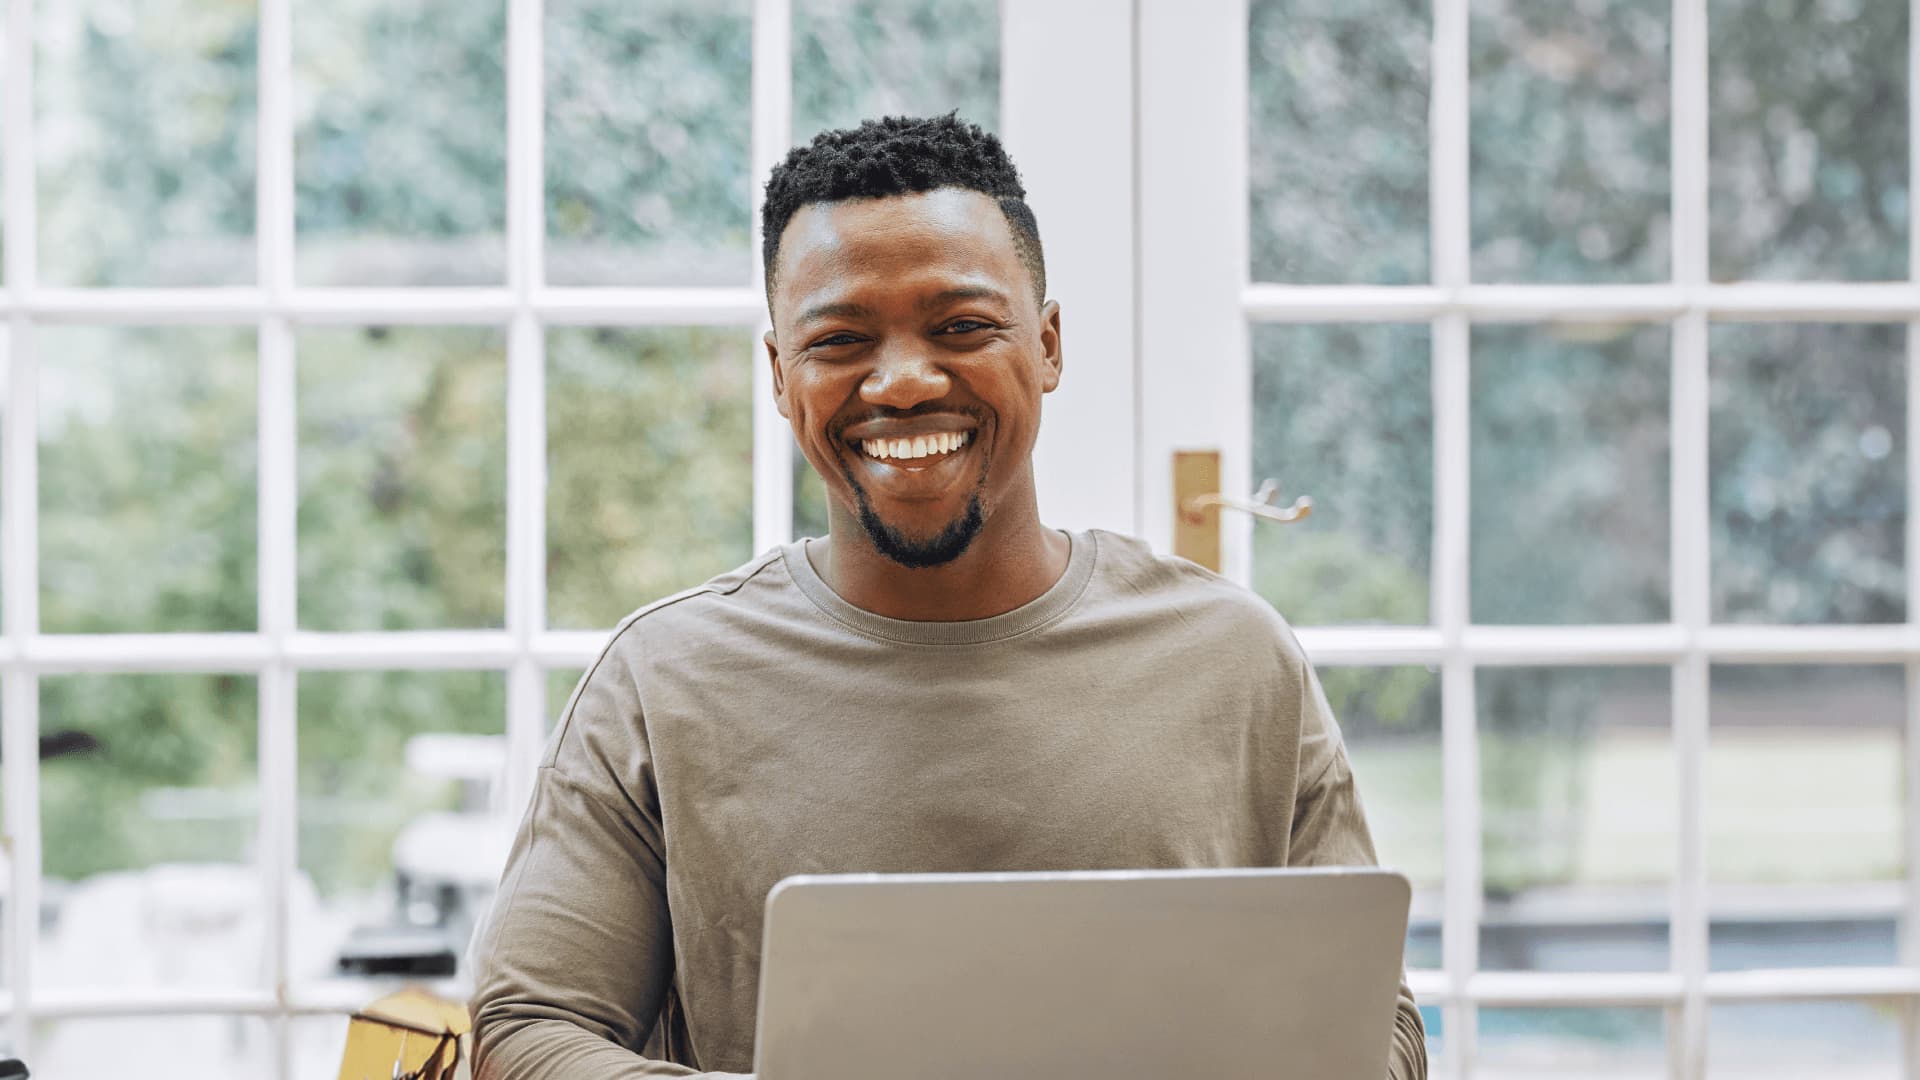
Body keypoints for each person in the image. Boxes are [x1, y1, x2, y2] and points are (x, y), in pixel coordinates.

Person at [469, 113, 1427, 1079]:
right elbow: (526, 1030)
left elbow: (1378, 1034)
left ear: (1048, 346)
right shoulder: (663, 677)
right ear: (780, 376)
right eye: (840, 339)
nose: (904, 382)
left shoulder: (1234, 659)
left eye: (962, 327)